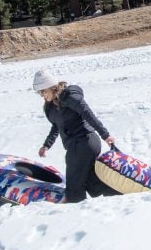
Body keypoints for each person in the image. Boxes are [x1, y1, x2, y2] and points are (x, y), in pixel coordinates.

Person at [33, 69, 117, 203]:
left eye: (43, 91)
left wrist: (105, 135)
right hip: (78, 145)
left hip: (84, 142)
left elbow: (87, 114)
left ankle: (72, 211)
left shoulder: (69, 97)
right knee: (91, 182)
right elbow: (56, 126)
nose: (42, 96)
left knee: (73, 184)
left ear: (51, 87)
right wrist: (46, 145)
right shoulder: (51, 107)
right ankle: (120, 195)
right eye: (39, 93)